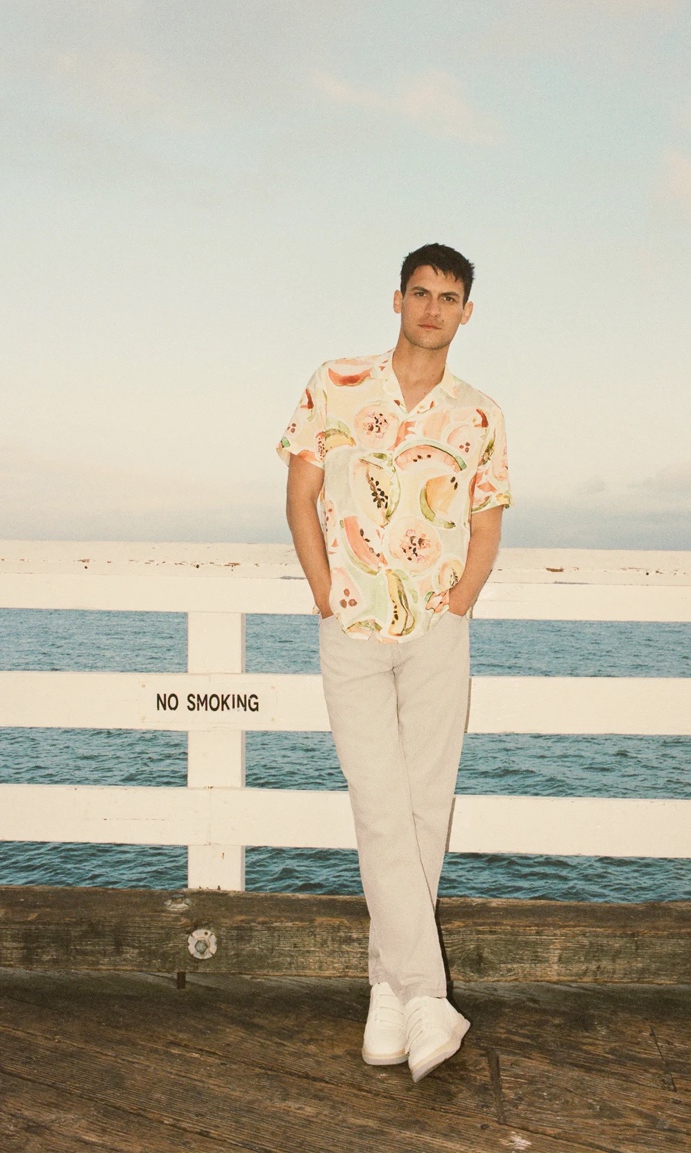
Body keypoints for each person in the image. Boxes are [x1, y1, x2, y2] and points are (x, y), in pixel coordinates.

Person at [277, 242, 511, 1082]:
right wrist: (322, 590)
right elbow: (300, 495)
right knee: (379, 809)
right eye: (421, 292)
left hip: (437, 633)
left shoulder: (479, 413)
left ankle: (389, 992)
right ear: (398, 299)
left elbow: (486, 520)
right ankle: (427, 996)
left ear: (467, 312)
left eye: (450, 297)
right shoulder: (335, 383)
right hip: (353, 628)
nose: (433, 308)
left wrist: (458, 604)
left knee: (423, 814)